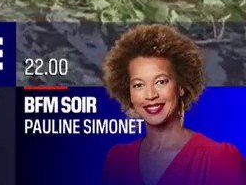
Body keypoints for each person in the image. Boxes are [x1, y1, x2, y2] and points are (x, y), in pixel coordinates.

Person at [100, 24, 246, 185]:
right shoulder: (119, 160)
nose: (150, 95)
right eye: (138, 85)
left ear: (181, 86)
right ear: (129, 93)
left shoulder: (218, 158)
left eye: (161, 82)